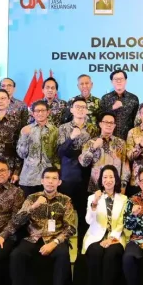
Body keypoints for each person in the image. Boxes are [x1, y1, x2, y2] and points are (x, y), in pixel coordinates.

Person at [9, 167, 77, 285]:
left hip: (55, 238)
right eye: (47, 178)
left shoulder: (65, 200)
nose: (50, 181)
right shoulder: (32, 198)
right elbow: (17, 221)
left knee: (62, 255)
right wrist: (33, 207)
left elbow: (71, 227)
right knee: (16, 255)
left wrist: (54, 243)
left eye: (54, 178)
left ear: (59, 182)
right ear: (42, 181)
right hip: (34, 237)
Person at [82, 165, 128, 285]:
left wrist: (111, 239)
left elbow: (121, 222)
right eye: (105, 177)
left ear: (116, 180)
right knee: (95, 252)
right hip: (96, 236)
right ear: (101, 181)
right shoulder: (92, 198)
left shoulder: (123, 199)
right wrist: (95, 203)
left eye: (111, 177)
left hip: (116, 236)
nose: (108, 180)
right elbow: (88, 221)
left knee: (111, 254)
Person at [58, 96, 99, 252]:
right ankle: (62, 249)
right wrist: (71, 138)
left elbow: (94, 153)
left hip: (86, 177)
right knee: (64, 215)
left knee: (84, 216)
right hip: (68, 176)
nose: (81, 109)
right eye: (77, 107)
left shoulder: (93, 129)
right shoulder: (64, 128)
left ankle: (83, 250)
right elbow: (60, 152)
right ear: (72, 110)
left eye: (83, 107)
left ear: (87, 110)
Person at [17, 100, 60, 197]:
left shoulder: (55, 131)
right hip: (29, 177)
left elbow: (57, 155)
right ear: (33, 113)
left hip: (48, 179)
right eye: (37, 111)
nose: (40, 113)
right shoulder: (26, 129)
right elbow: (21, 154)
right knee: (29, 205)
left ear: (48, 112)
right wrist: (24, 137)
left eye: (43, 110)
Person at [79, 113, 131, 193]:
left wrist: (123, 185)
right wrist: (93, 147)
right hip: (96, 187)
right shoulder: (91, 142)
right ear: (100, 124)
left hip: (115, 186)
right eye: (106, 122)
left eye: (111, 123)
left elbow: (125, 165)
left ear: (114, 125)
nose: (109, 125)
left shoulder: (121, 143)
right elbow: (83, 163)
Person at [100, 69, 140, 140]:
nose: (119, 81)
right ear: (112, 82)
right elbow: (100, 118)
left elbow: (136, 120)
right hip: (108, 138)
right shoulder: (105, 98)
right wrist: (112, 107)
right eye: (116, 79)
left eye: (121, 79)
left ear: (126, 81)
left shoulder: (133, 98)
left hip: (128, 138)